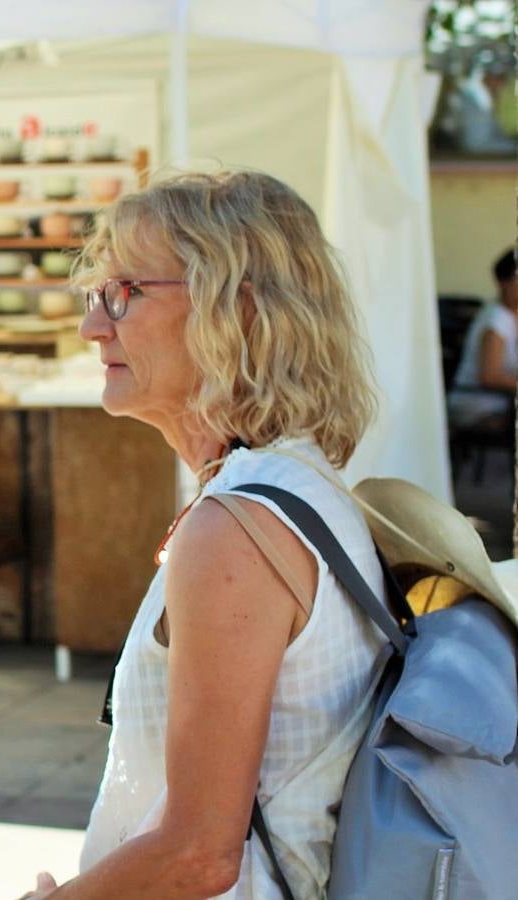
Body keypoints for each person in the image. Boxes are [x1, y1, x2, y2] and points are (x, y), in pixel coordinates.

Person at [23, 171, 387, 898]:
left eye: (124, 291)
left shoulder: (238, 528)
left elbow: (197, 854)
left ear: (238, 309)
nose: (92, 326)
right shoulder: (286, 487)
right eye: (96, 295)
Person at [448, 248, 517, 430]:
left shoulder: (512, 316)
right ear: (503, 283)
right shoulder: (496, 320)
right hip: (478, 405)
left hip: (502, 402)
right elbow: (489, 376)